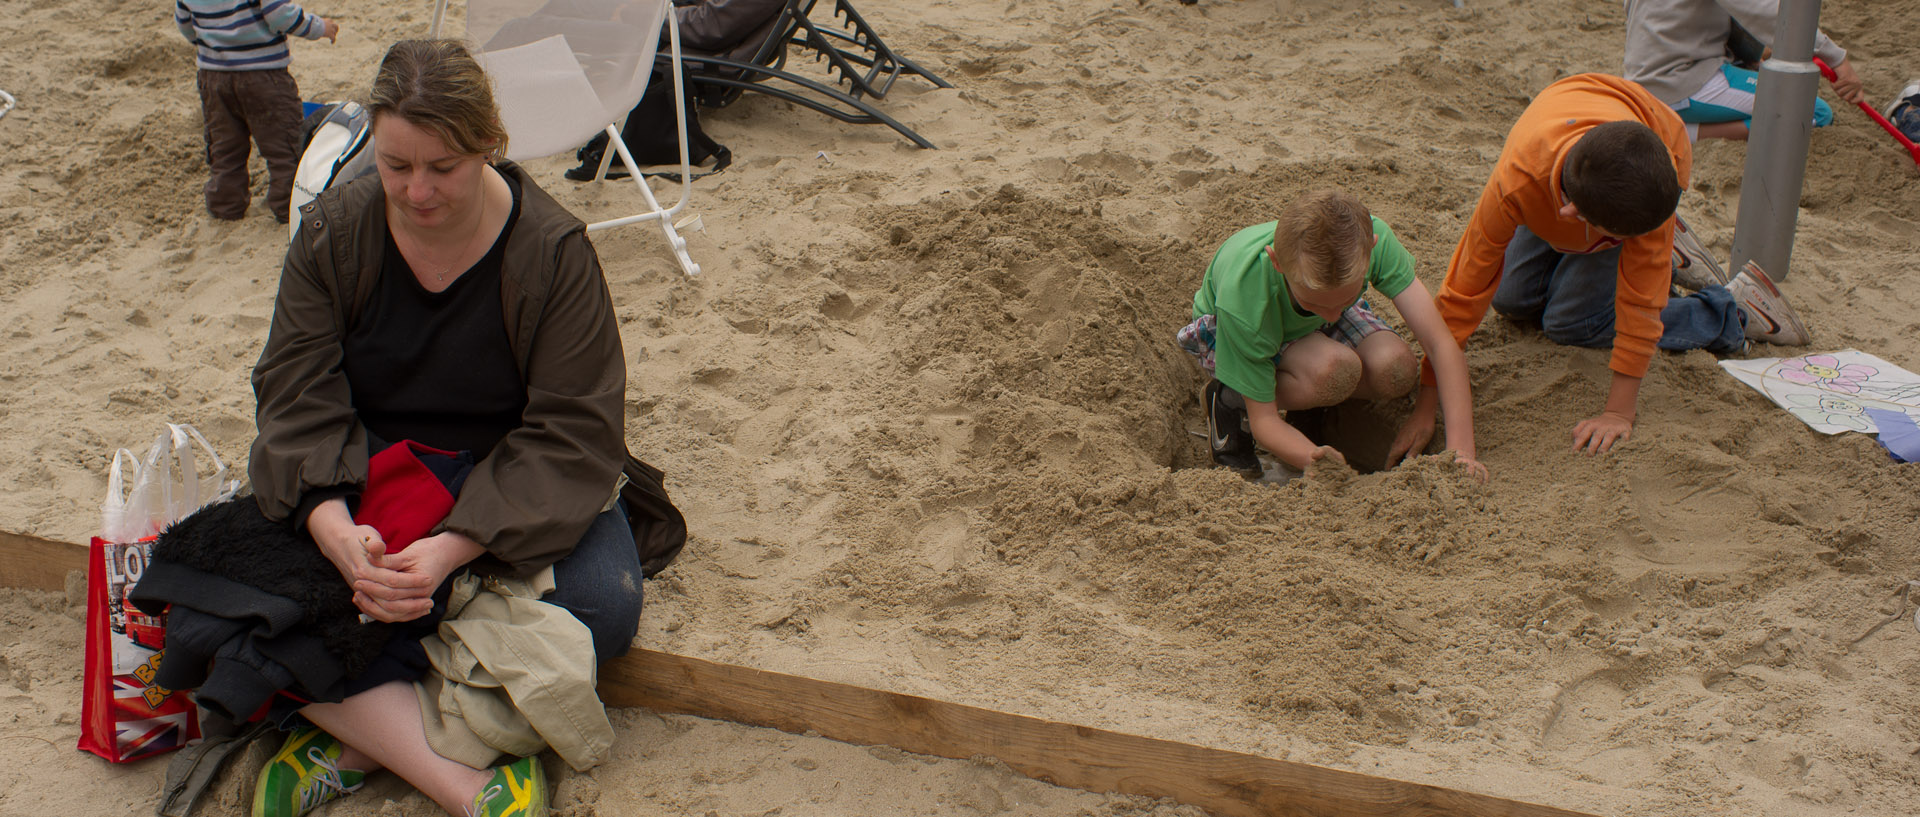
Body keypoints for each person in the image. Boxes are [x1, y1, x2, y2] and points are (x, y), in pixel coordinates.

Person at [248, 39, 645, 817]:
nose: (417, 191)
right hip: (371, 479)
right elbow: (294, 396)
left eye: (444, 167)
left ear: (489, 146)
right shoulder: (335, 231)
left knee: (604, 607)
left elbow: (574, 429)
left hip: (507, 483)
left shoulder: (553, 253)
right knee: (195, 594)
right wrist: (335, 533)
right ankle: (466, 777)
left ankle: (356, 737)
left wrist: (448, 550)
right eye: (396, 165)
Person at [1425, 73, 1808, 457]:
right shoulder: (1516, 183)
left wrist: (1618, 412)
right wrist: (1426, 400)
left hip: (1647, 153)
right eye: (1622, 238)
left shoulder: (1662, 170)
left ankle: (1731, 311)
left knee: (1571, 323)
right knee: (1511, 300)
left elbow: (1640, 303)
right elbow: (1465, 289)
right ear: (1574, 214)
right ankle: (1654, 246)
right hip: (1567, 175)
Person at [1178, 189, 1487, 482]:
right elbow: (1266, 421)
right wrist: (1314, 459)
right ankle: (1230, 400)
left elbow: (1440, 342)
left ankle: (1318, 410)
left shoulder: (1366, 245)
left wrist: (1461, 450)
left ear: (1371, 250)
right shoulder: (1244, 297)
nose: (1329, 316)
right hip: (1243, 325)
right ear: (1276, 261)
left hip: (1301, 311)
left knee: (1396, 369)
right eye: (1315, 303)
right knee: (1335, 370)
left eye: (1342, 300)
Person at [174, 0, 340, 222]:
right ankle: (288, 205)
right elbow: (279, 15)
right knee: (284, 145)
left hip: (214, 77)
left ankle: (226, 206)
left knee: (224, 146)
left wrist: (213, 42)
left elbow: (185, 23)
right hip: (263, 76)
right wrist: (320, 26)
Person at [1624, 0, 1864, 142]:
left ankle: (1675, 125)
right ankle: (1683, 134)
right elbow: (1769, 14)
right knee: (1814, 113)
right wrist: (1836, 58)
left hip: (1641, 79)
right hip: (1678, 83)